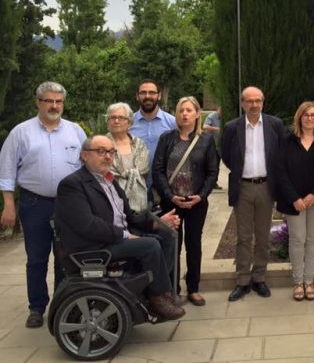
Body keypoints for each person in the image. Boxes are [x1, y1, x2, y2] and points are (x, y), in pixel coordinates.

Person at [54, 135, 185, 321]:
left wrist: (156, 222)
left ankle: (153, 292)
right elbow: (88, 225)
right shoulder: (73, 184)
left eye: (111, 152)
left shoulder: (109, 181)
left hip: (113, 239)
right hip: (93, 247)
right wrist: (124, 235)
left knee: (166, 237)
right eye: (101, 151)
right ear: (84, 155)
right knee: (150, 245)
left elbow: (129, 216)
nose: (108, 156)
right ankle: (159, 299)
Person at [0, 81, 86, 328]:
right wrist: (8, 205)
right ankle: (37, 307)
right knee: (36, 258)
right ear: (38, 102)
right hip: (34, 204)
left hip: (68, 206)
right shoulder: (21, 132)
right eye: (49, 101)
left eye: (59, 101)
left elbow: (87, 165)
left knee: (65, 257)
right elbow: (6, 170)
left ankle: (62, 304)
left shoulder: (75, 131)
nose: (55, 106)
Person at [152, 96, 218, 306]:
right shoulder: (167, 138)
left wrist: (201, 195)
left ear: (197, 114)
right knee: (172, 245)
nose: (184, 114)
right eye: (181, 110)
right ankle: (172, 290)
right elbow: (158, 170)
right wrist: (170, 196)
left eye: (189, 110)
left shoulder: (206, 140)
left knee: (193, 244)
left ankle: (193, 288)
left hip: (196, 202)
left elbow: (212, 171)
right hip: (172, 202)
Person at [221, 86, 285, 301]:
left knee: (264, 236)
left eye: (258, 100)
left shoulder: (275, 125)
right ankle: (242, 281)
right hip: (244, 186)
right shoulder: (232, 127)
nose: (254, 105)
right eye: (249, 101)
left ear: (263, 102)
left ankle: (259, 278)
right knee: (244, 237)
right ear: (242, 103)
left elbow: (280, 155)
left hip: (267, 186)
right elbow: (227, 156)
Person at [275, 101, 314, 301]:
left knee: (313, 240)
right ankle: (297, 282)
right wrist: (295, 198)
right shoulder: (287, 140)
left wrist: (313, 195)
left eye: (313, 115)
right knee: (297, 239)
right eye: (306, 115)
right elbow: (280, 171)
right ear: (299, 117)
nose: (310, 118)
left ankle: (309, 281)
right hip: (294, 201)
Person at [129, 79, 176, 200]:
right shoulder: (128, 124)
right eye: (143, 93)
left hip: (166, 187)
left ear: (159, 96)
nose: (147, 96)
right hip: (135, 187)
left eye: (152, 92)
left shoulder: (172, 123)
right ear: (137, 96)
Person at [106, 102, 150, 213]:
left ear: (129, 122)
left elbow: (143, 170)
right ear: (108, 122)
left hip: (139, 202)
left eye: (121, 118)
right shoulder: (101, 144)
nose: (116, 121)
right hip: (109, 199)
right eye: (112, 117)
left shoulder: (139, 144)